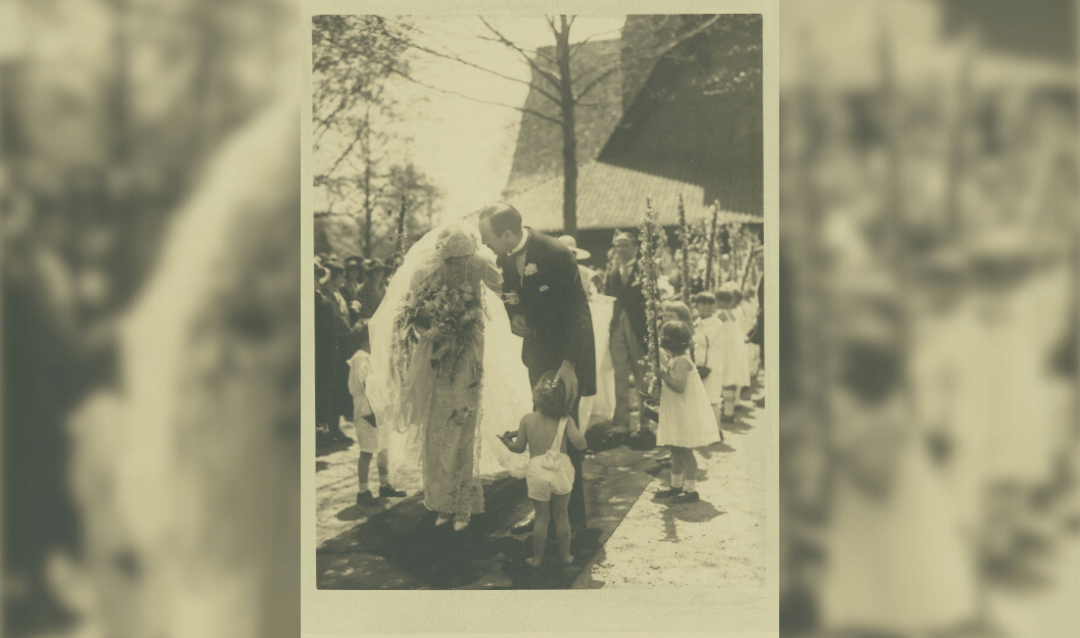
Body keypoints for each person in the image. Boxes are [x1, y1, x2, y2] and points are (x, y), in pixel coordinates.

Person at [366, 220, 531, 531]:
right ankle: (439, 497)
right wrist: (431, 332)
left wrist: (521, 311)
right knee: (436, 425)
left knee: (464, 422)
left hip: (469, 353)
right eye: (453, 260)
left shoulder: (480, 263)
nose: (458, 266)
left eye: (462, 260)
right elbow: (408, 314)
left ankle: (461, 500)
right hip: (435, 357)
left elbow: (507, 291)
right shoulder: (424, 269)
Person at [478, 203, 596, 535]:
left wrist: (570, 365)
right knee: (542, 436)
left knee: (564, 437)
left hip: (565, 357)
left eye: (488, 237)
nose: (485, 244)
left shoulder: (555, 253)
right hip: (538, 356)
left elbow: (578, 313)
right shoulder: (502, 255)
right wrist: (514, 315)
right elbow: (509, 291)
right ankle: (543, 510)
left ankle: (573, 520)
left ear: (507, 234)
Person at [499, 372, 587, 567]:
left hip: (538, 470)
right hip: (560, 468)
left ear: (536, 396)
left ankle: (537, 558)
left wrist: (507, 442)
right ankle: (565, 556)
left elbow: (519, 448)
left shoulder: (527, 420)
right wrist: (581, 440)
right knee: (562, 515)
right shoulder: (566, 419)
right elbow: (580, 444)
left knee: (541, 517)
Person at [652, 321, 722, 504]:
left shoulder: (682, 362)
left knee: (685, 451)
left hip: (682, 413)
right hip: (676, 411)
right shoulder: (676, 359)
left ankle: (691, 490)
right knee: (675, 448)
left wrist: (663, 376)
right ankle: (676, 486)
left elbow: (680, 387)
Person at [347, 325, 407, 506]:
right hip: (367, 408)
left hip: (379, 406)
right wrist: (384, 372)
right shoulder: (359, 358)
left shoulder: (371, 357)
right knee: (367, 450)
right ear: (366, 338)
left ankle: (384, 484)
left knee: (383, 447)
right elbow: (366, 383)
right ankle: (363, 491)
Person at [604, 230, 649, 435]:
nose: (620, 249)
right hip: (617, 328)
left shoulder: (645, 270)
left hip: (639, 328)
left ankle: (645, 422)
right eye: (617, 245)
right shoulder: (611, 273)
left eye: (625, 245)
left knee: (642, 375)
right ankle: (621, 422)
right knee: (620, 374)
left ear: (636, 248)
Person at [713, 287, 751, 421]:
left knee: (723, 378)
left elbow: (715, 331)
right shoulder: (732, 314)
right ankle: (729, 411)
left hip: (724, 350)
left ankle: (726, 411)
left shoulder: (720, 315)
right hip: (733, 351)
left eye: (718, 301)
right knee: (730, 379)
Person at [694, 291, 726, 436]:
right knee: (700, 397)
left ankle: (716, 430)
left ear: (714, 306)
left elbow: (711, 343)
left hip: (712, 364)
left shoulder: (718, 324)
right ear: (697, 306)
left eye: (709, 304)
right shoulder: (697, 323)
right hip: (699, 363)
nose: (706, 307)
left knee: (712, 397)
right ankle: (704, 429)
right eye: (702, 304)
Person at [558, 234, 598, 300]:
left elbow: (591, 296)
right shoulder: (549, 274)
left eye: (572, 253)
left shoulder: (585, 273)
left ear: (575, 255)